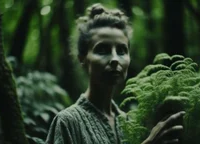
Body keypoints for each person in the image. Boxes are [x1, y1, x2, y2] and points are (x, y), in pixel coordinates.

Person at [46, 3, 185, 144]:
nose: (114, 59)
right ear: (83, 59)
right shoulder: (68, 122)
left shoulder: (131, 124)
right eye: (102, 50)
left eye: (121, 51)